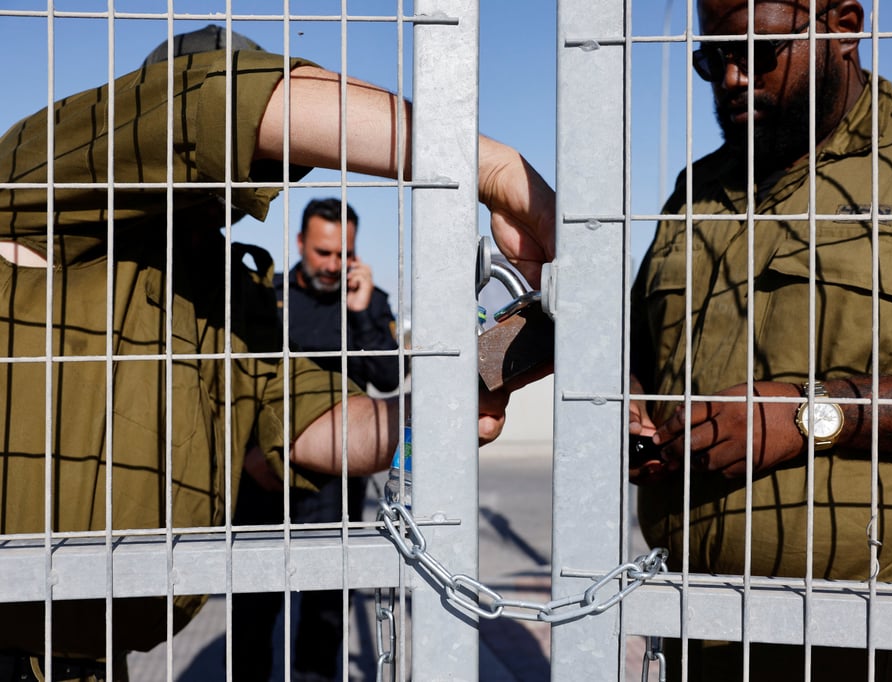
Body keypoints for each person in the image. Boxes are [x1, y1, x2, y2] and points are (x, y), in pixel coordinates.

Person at [0, 24, 554, 681]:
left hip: (94, 657)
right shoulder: (41, 175)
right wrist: (492, 170)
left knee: (320, 623)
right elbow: (237, 101)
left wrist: (450, 410)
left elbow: (309, 422)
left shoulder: (227, 288)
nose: (244, 176)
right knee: (256, 627)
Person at [628, 0, 892, 679]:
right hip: (709, 629)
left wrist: (815, 415)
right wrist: (634, 410)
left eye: (757, 53)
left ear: (842, 27)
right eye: (713, 58)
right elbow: (640, 356)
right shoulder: (697, 192)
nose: (730, 78)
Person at [231, 198, 403, 681]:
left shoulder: (368, 301)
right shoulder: (268, 297)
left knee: (327, 606)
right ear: (301, 242)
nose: (332, 264)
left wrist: (364, 312)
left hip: (334, 482)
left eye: (342, 253)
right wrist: (249, 456)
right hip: (263, 473)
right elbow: (241, 380)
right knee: (252, 607)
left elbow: (389, 379)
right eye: (324, 252)